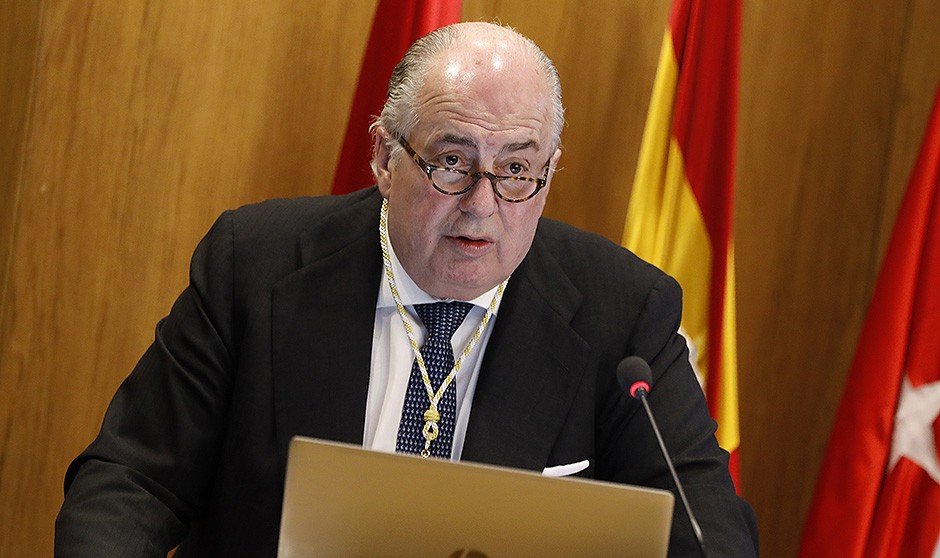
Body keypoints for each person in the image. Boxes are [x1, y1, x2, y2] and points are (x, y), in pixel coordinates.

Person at [55, 22, 758, 556]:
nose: (482, 204)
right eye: (452, 161)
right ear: (384, 157)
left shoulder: (624, 313)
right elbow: (133, 480)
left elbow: (709, 533)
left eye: (517, 170)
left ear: (549, 171)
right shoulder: (257, 265)